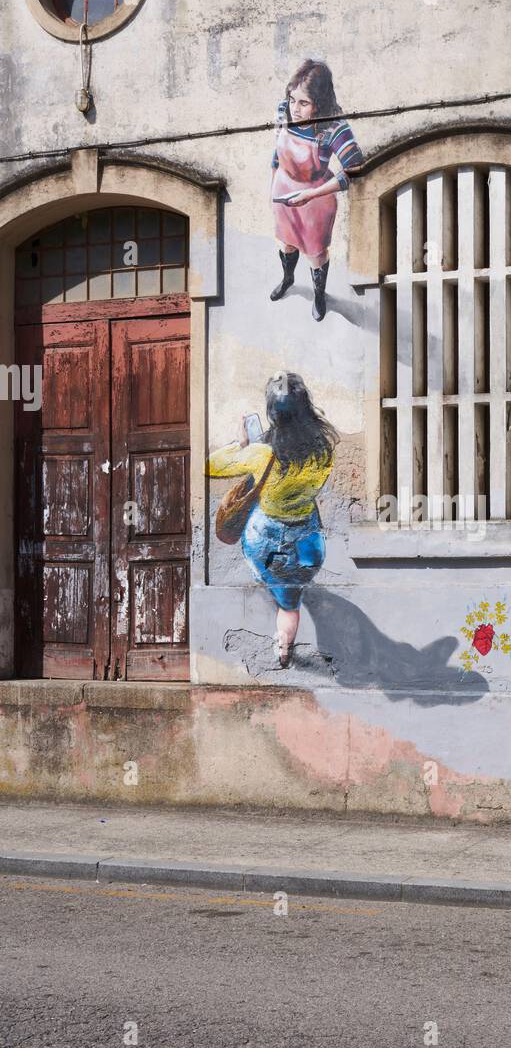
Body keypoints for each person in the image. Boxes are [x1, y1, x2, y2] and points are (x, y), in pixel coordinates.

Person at [207, 373, 338, 666]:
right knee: (290, 601)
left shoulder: (262, 453)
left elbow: (210, 466)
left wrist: (241, 443)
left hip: (265, 542)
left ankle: (268, 583)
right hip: (308, 543)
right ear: (306, 406)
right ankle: (283, 642)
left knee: (268, 562)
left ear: (272, 413)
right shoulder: (324, 449)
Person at [269, 60, 362, 321]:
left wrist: (310, 195)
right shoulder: (283, 111)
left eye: (303, 103)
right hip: (283, 189)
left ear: (318, 104)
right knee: (286, 243)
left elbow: (353, 170)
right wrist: (272, 184)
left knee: (315, 254)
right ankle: (288, 279)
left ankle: (319, 294)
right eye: (292, 100)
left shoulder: (334, 128)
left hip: (316, 197)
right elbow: (276, 153)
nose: (294, 109)